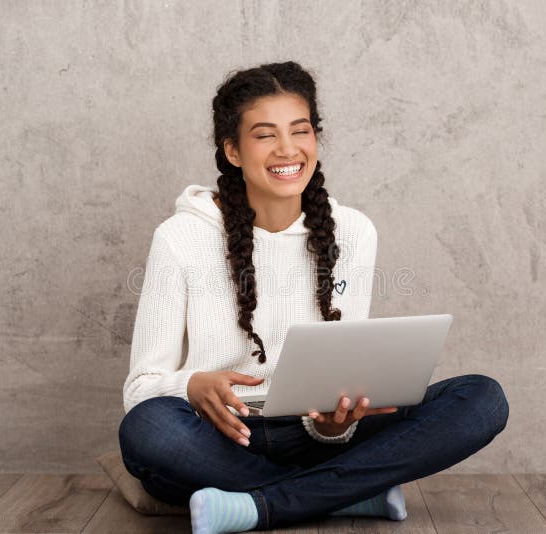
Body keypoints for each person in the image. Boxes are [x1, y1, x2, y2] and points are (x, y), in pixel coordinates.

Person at [118, 61, 509, 534]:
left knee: (483, 399)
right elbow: (141, 388)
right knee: (148, 430)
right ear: (233, 151)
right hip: (221, 437)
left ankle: (263, 505)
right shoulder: (180, 238)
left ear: (315, 139)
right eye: (265, 135)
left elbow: (341, 377)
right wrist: (193, 386)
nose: (287, 149)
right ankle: (348, 494)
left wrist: (333, 423)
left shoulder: (353, 232)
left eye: (300, 131)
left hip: (318, 437)